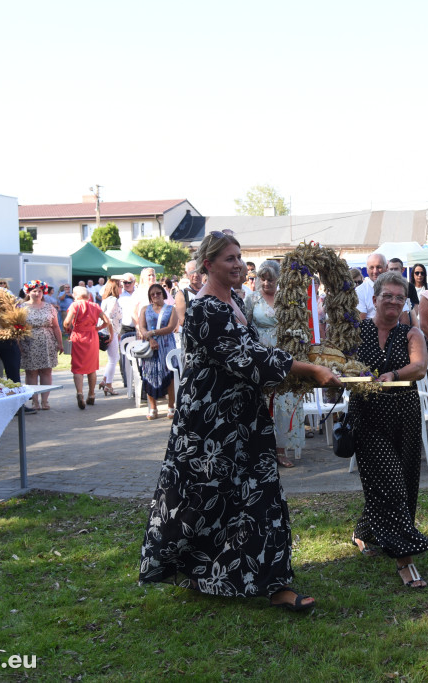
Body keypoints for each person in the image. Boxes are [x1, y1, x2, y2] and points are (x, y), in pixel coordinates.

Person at [139, 231, 341, 612]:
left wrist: (297, 369)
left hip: (239, 419)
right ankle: (208, 573)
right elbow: (247, 359)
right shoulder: (203, 309)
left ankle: (273, 582)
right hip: (209, 425)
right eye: (228, 258)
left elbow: (254, 356)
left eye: (239, 257)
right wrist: (309, 369)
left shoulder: (234, 302)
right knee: (204, 498)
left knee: (254, 496)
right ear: (208, 264)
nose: (237, 264)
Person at [349, 270, 428, 587]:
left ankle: (363, 531)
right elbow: (341, 364)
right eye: (388, 296)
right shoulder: (358, 332)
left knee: (405, 481)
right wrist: (358, 375)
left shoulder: (412, 334)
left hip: (404, 414)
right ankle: (405, 561)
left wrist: (391, 375)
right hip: (368, 416)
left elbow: (420, 367)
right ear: (374, 299)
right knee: (390, 482)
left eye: (400, 297)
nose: (395, 302)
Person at [244, 260, 303, 467]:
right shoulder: (252, 299)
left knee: (285, 402)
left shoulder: (287, 299)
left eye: (271, 279)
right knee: (263, 402)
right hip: (261, 357)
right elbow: (246, 326)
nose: (267, 283)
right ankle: (262, 450)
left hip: (285, 356)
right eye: (263, 278)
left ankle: (281, 449)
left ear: (279, 280)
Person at [63, 286, 112, 410]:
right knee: (92, 368)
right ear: (88, 295)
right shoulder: (95, 306)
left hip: (78, 336)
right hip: (92, 337)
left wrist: (67, 329)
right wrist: (97, 328)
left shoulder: (75, 305)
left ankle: (80, 393)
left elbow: (67, 322)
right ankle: (92, 394)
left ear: (75, 295)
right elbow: (107, 321)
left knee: (78, 368)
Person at [19, 281, 62, 412]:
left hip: (47, 341)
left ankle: (45, 400)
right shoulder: (21, 307)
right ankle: (34, 401)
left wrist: (60, 343)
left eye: (40, 291)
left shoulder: (49, 307)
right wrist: (18, 343)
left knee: (46, 370)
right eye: (34, 291)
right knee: (31, 372)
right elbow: (17, 327)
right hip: (28, 342)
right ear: (28, 292)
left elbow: (55, 326)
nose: (37, 294)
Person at [136, 283, 178, 420]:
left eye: (158, 293)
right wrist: (150, 339)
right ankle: (152, 407)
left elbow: (171, 327)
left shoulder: (171, 309)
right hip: (150, 346)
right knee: (149, 375)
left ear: (163, 294)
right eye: (152, 294)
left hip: (166, 345)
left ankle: (171, 406)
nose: (155, 296)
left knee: (170, 376)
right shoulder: (144, 309)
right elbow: (141, 327)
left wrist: (153, 332)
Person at [98, 278, 123, 396]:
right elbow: (109, 318)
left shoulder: (106, 299)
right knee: (114, 359)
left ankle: (105, 380)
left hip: (109, 331)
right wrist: (113, 334)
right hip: (109, 332)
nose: (121, 288)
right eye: (120, 286)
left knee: (113, 358)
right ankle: (108, 384)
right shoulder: (113, 300)